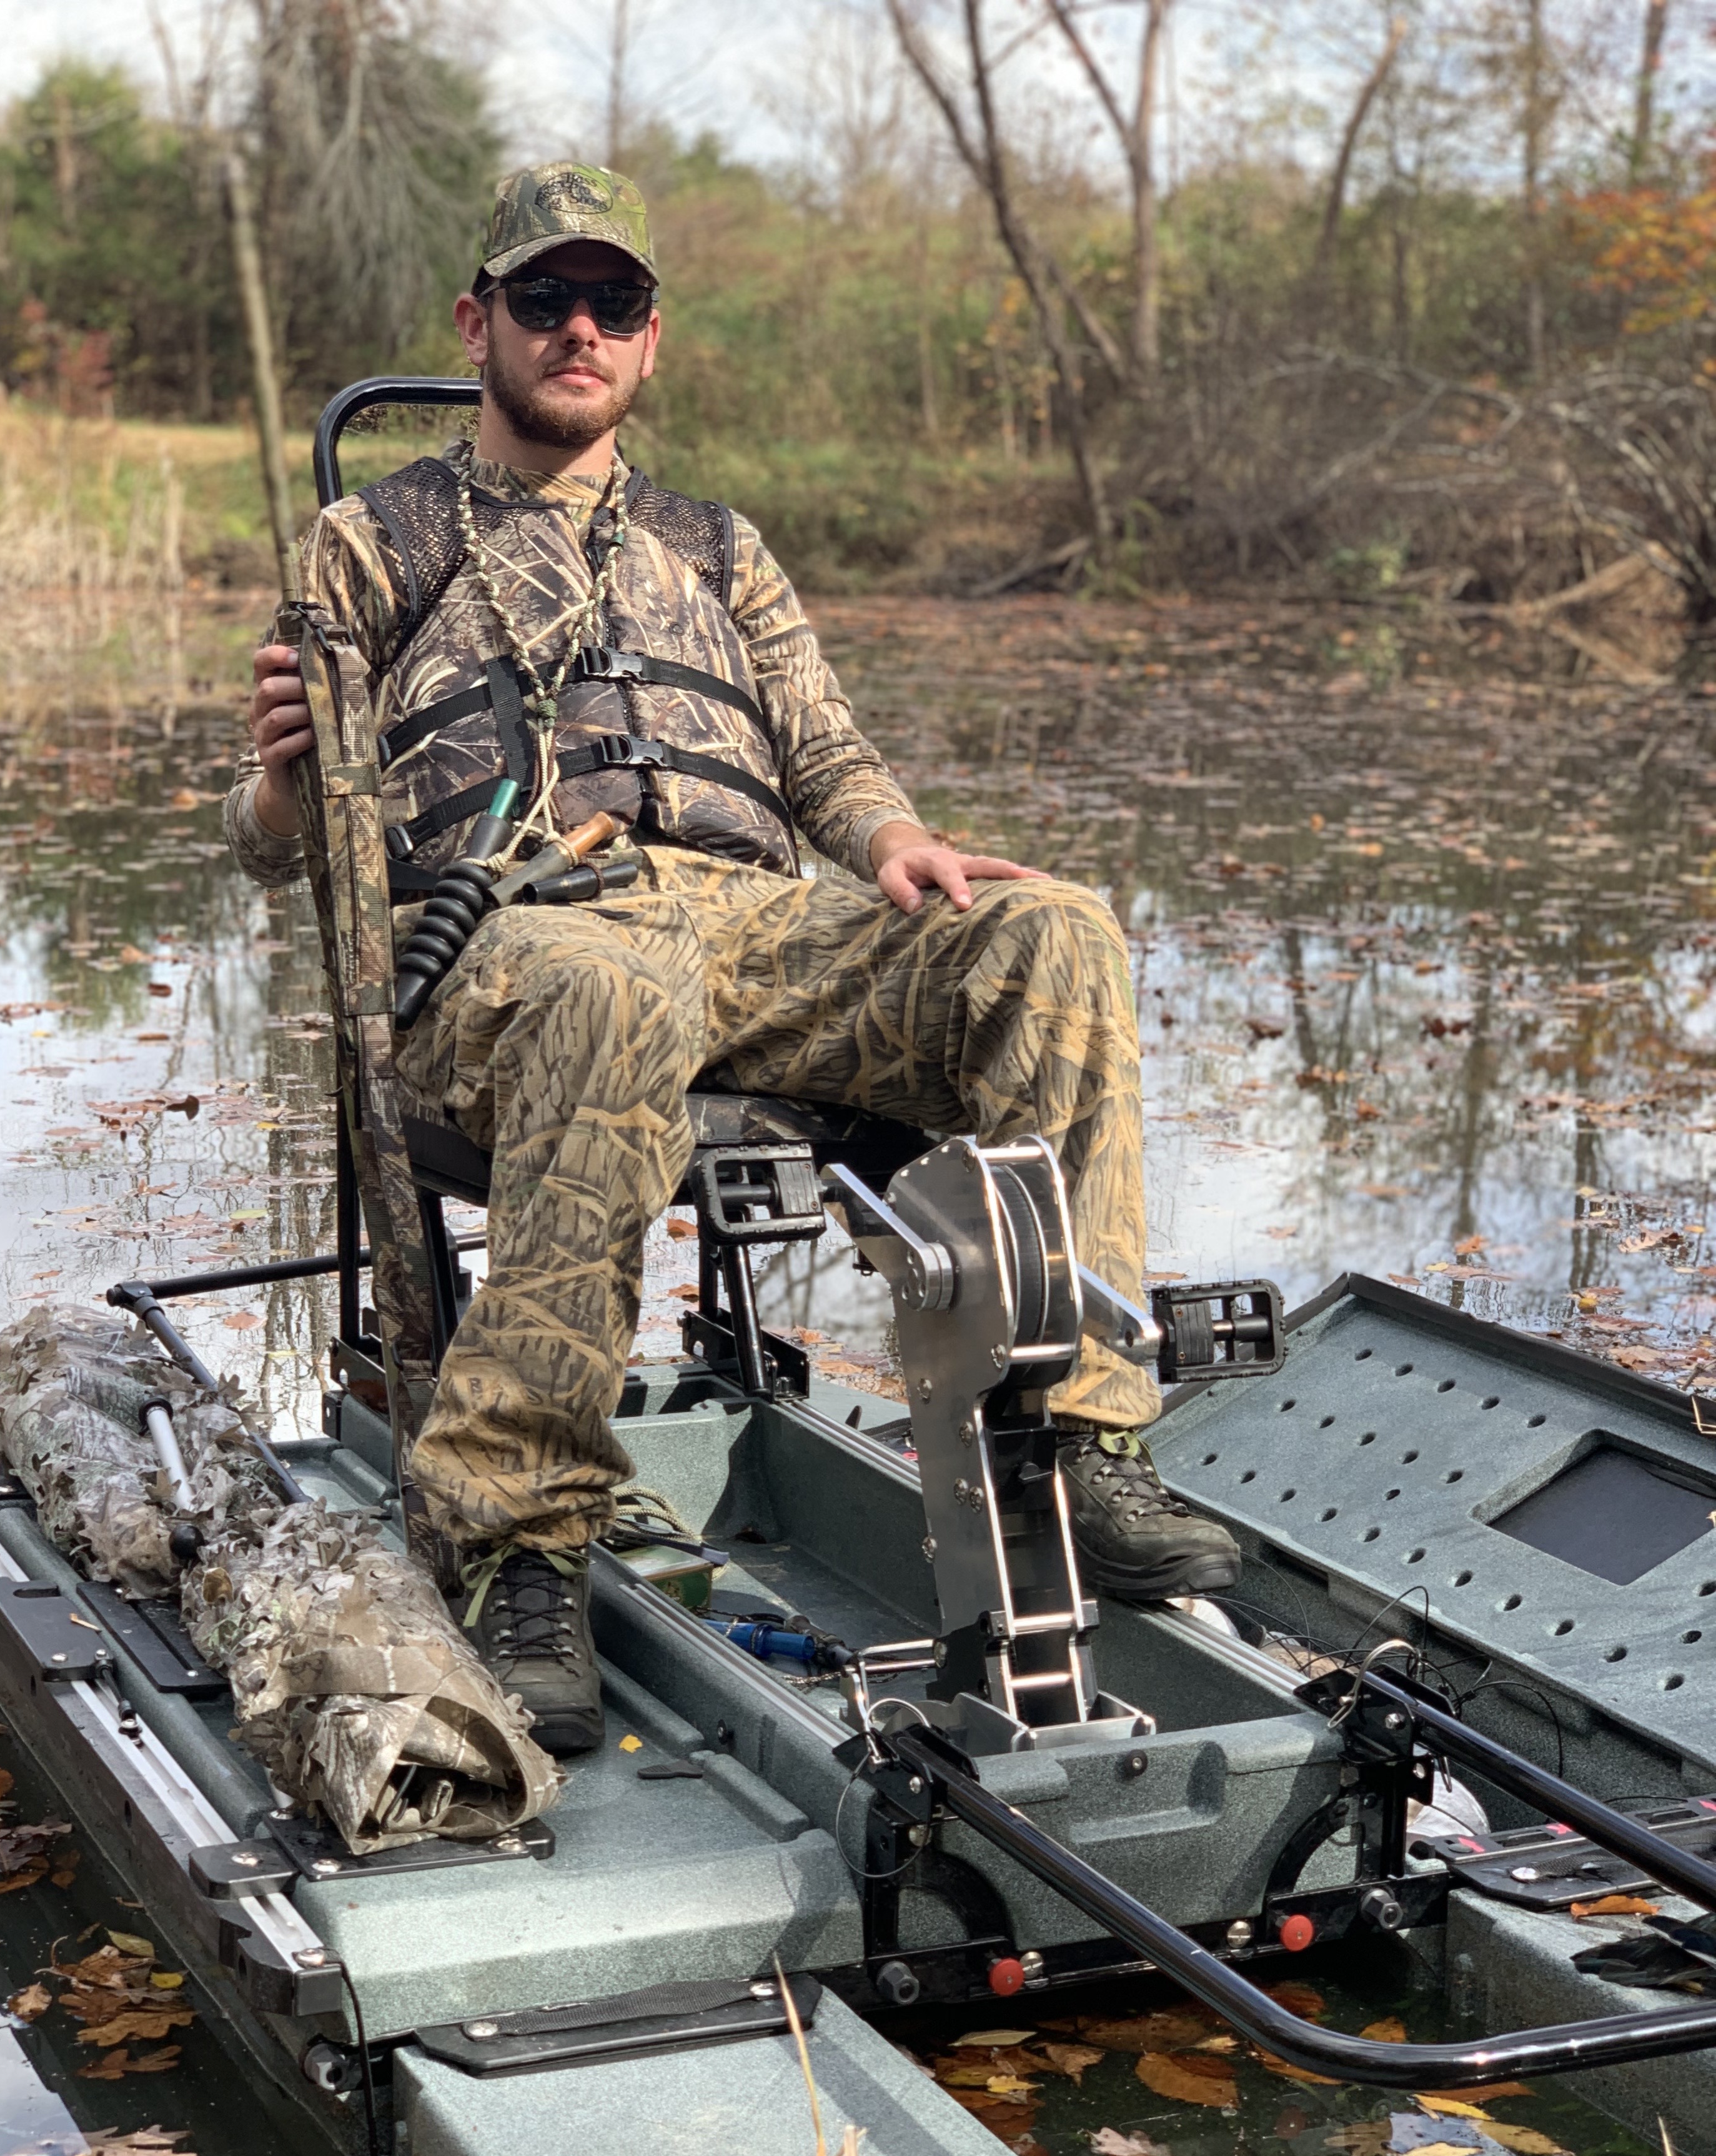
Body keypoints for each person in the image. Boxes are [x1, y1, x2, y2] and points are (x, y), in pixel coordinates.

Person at [225, 159, 1238, 1754]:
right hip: (516, 943)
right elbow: (277, 843)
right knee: (609, 981)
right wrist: (282, 780)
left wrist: (897, 844)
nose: (579, 329)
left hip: (753, 924)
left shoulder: (717, 544)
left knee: (1052, 931)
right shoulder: (378, 539)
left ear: (649, 341)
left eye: (611, 303)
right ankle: (516, 1540)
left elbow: (829, 756)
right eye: (545, 300)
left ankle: (1077, 1436)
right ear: (478, 322)